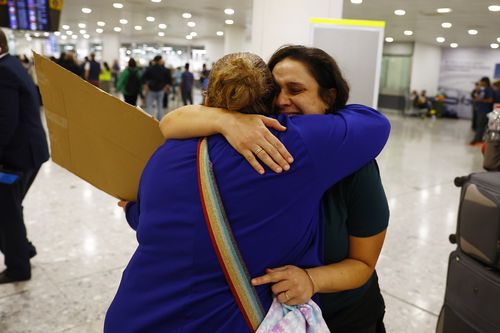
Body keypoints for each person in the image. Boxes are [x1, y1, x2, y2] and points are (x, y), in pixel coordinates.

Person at [104, 52, 390, 332]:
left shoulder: (164, 156)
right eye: (274, 90)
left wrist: (132, 208)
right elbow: (374, 122)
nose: (280, 100)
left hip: (136, 315)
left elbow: (154, 221)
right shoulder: (289, 144)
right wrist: (226, 121)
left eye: (296, 89)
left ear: (329, 97)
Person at [0, 28, 50, 283]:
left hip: (16, 156)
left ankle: (19, 267)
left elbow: (5, 122)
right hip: (28, 150)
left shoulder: (4, 71)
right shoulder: (12, 64)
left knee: (6, 211)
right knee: (9, 208)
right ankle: (22, 249)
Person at [141, 55, 172, 120]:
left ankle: (148, 119)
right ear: (160, 60)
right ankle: (159, 121)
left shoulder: (149, 68)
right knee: (160, 106)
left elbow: (143, 78)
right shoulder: (164, 69)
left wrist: (145, 86)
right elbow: (169, 80)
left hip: (151, 90)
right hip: (161, 90)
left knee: (149, 106)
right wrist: (166, 87)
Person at [470, 77, 495, 145]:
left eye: (481, 82)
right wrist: (477, 90)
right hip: (480, 109)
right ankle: (478, 139)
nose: (480, 83)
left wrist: (480, 100)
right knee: (479, 125)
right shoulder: (483, 89)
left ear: (485, 82)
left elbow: (490, 100)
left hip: (485, 110)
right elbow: (475, 95)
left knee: (481, 125)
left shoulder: (489, 89)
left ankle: (477, 140)